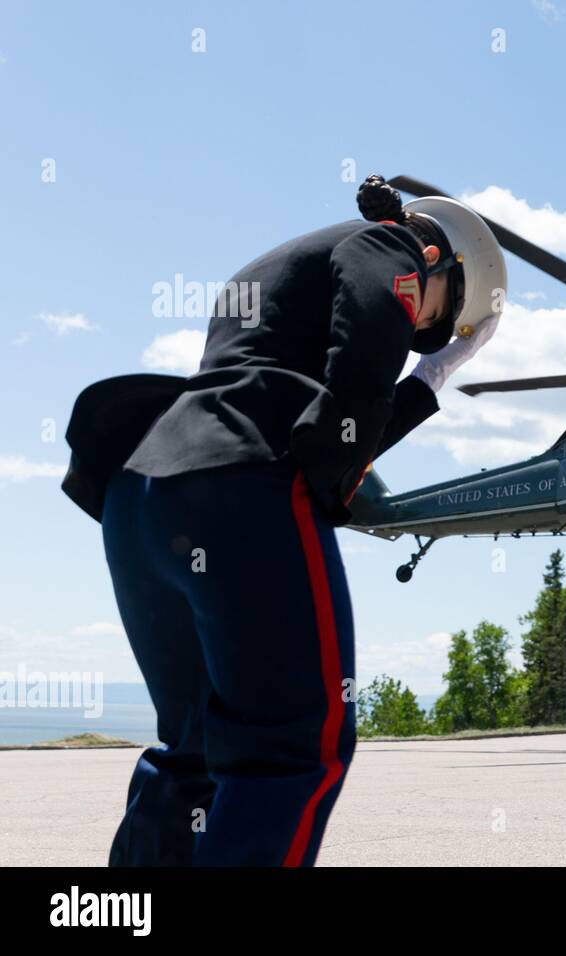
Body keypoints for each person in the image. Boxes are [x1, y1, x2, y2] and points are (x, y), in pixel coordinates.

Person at [61, 175, 506, 866]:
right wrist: (329, 481)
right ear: (442, 264)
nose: (423, 333)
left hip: (141, 494)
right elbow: (352, 371)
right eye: (433, 323)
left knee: (194, 753)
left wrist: (426, 384)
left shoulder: (266, 267)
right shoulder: (392, 244)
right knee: (292, 750)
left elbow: (299, 404)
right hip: (241, 495)